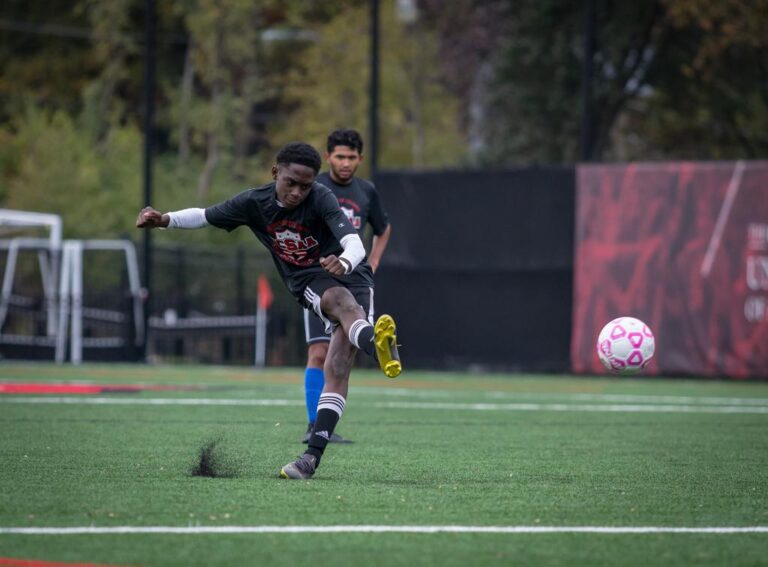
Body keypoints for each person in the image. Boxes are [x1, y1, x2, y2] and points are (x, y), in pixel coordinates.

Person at [136, 142, 401, 480]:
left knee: (337, 365)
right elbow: (204, 216)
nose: (297, 192)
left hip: (352, 273)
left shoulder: (321, 197)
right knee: (337, 303)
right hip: (308, 277)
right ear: (276, 172)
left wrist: (345, 261)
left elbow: (355, 243)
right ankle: (375, 343)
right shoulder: (253, 203)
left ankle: (309, 460)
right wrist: (163, 220)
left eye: (305, 185)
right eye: (290, 182)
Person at [300, 129, 392, 444]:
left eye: (352, 157)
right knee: (317, 350)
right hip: (319, 279)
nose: (345, 163)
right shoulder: (313, 187)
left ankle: (327, 427)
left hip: (355, 279)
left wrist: (374, 260)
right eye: (340, 156)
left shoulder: (367, 191)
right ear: (328, 157)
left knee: (343, 354)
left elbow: (383, 227)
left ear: (360, 159)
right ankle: (313, 425)